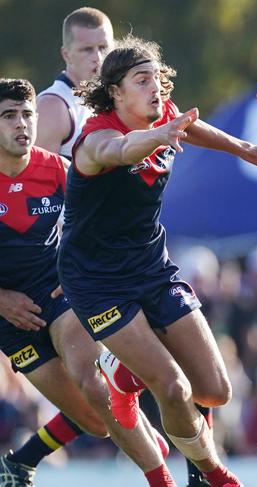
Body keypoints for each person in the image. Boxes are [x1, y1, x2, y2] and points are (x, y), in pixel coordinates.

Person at [59, 35, 257, 487]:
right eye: (141, 80)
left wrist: (248, 150)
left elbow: (192, 127)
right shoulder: (97, 138)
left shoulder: (161, 112)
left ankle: (122, 373)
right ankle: (212, 474)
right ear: (115, 92)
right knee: (172, 387)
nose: (155, 89)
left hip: (151, 266)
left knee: (215, 391)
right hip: (97, 282)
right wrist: (156, 137)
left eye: (157, 79)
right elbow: (120, 151)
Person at [0, 78, 177, 487]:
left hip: (59, 292)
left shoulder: (58, 170)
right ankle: (25, 458)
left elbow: (101, 221)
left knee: (91, 379)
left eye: (27, 115)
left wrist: (81, 271)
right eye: (9, 116)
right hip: (9, 321)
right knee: (98, 422)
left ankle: (160, 479)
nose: (21, 124)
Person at [36, 7, 114, 161]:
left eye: (103, 47)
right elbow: (39, 180)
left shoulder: (114, 99)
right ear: (66, 55)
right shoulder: (53, 106)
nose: (98, 57)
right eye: (87, 49)